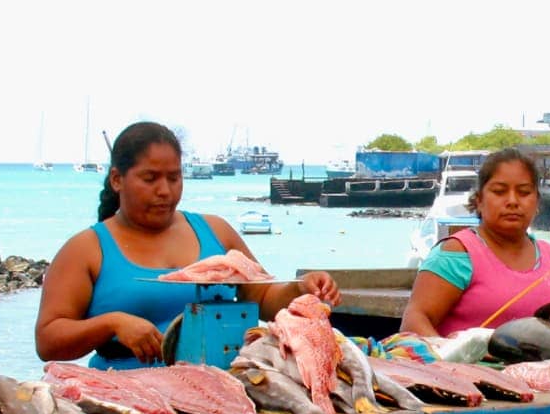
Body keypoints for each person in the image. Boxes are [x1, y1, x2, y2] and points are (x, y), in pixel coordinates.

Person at [35, 121, 340, 368]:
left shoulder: (216, 232)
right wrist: (111, 324)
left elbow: (262, 296)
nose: (164, 190)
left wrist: (301, 290)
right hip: (129, 400)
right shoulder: (86, 249)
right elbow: (48, 341)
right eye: (150, 178)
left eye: (174, 177)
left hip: (223, 392)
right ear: (117, 179)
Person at [402, 148, 550, 337]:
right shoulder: (457, 253)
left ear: (537, 202)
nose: (512, 201)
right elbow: (414, 322)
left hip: (549, 367)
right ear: (479, 200)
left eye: (524, 192)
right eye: (499, 191)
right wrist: (451, 355)